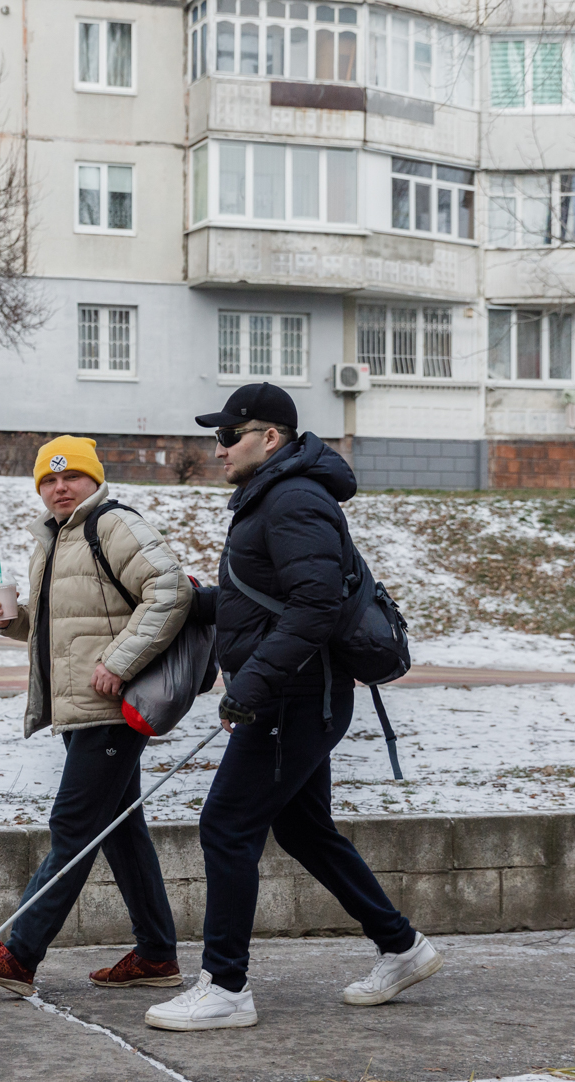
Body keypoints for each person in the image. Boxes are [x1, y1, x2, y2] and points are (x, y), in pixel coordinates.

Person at [144, 384, 442, 1032]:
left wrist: (251, 685)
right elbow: (270, 596)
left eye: (229, 435)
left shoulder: (293, 499)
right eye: (215, 436)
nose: (217, 448)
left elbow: (316, 607)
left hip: (293, 698)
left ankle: (225, 986)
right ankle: (401, 945)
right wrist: (197, 603)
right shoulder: (276, 496)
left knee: (226, 825)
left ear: (269, 438)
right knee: (304, 830)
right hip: (299, 694)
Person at [0, 435, 193, 995]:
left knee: (74, 826)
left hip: (109, 710)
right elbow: (59, 624)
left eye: (71, 477)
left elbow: (171, 589)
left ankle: (20, 954)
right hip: (82, 710)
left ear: (95, 480)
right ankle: (158, 955)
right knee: (120, 831)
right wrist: (13, 622)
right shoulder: (54, 539)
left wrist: (120, 658)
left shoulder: (113, 525)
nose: (60, 488)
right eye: (49, 480)